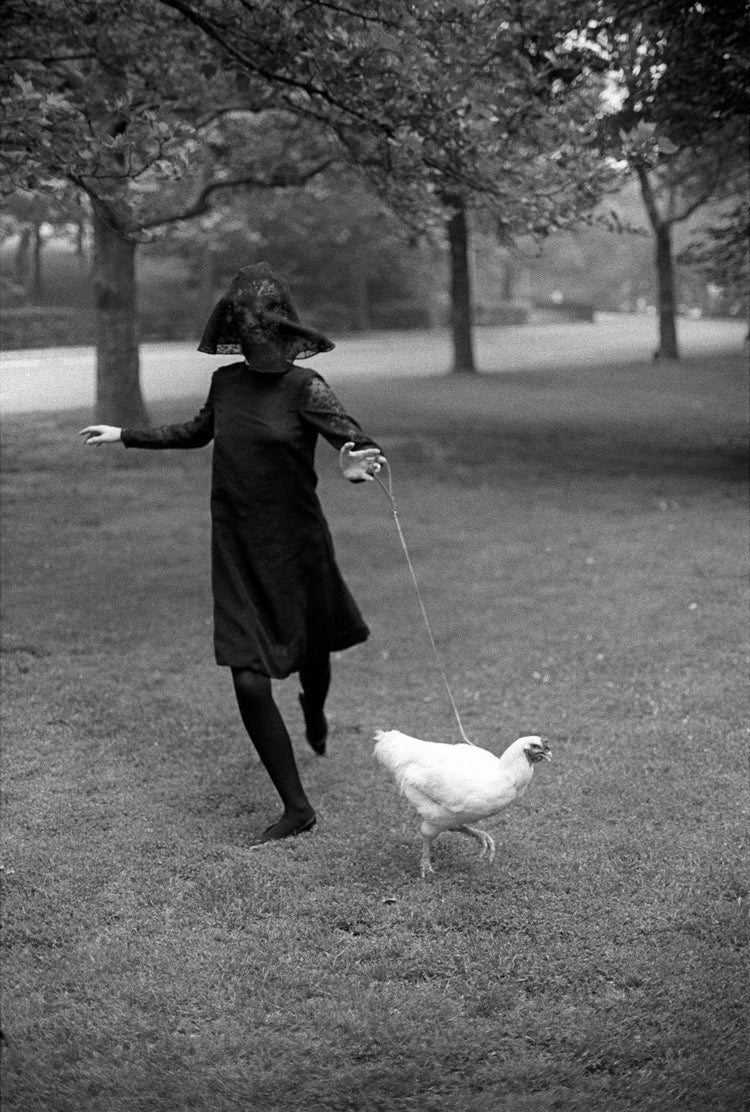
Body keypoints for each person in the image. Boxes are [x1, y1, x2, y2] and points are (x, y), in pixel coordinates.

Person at [80, 262, 385, 844]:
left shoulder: (305, 387)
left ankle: (314, 712)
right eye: (250, 332)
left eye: (266, 331)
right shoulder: (227, 383)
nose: (258, 341)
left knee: (311, 648)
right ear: (237, 331)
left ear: (283, 331)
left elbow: (359, 442)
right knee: (248, 679)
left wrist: (351, 465)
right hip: (238, 544)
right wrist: (124, 434)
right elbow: (198, 432)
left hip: (296, 545)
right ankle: (298, 809)